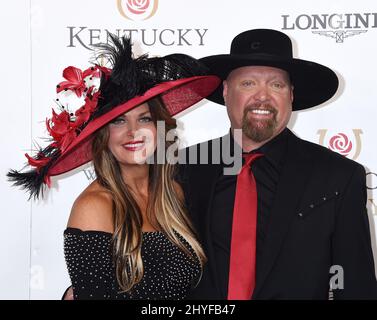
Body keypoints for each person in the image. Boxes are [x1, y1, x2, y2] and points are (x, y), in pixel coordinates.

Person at [8, 35, 220, 299]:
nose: (133, 132)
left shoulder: (174, 193)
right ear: (102, 136)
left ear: (159, 127)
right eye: (118, 121)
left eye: (144, 118)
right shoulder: (94, 207)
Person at [178, 29, 377, 299]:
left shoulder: (339, 177)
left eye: (276, 85)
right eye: (248, 83)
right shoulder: (182, 170)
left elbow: (355, 285)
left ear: (291, 95)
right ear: (225, 91)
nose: (263, 97)